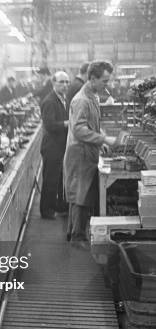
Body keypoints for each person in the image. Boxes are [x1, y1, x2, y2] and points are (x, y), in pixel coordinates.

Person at [63, 61, 120, 248]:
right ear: (93, 78)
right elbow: (79, 130)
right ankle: (78, 238)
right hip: (79, 154)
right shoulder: (82, 100)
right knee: (80, 196)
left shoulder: (93, 96)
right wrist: (105, 140)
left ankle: (73, 233)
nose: (107, 84)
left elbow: (92, 125)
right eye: (104, 80)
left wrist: (100, 139)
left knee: (80, 194)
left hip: (87, 151)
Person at [40, 71, 70, 220]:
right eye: (61, 82)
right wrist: (67, 123)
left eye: (66, 82)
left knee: (58, 178)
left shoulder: (61, 99)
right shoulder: (50, 101)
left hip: (59, 145)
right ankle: (46, 210)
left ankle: (57, 204)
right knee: (50, 179)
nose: (65, 85)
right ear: (53, 84)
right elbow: (49, 125)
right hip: (52, 147)